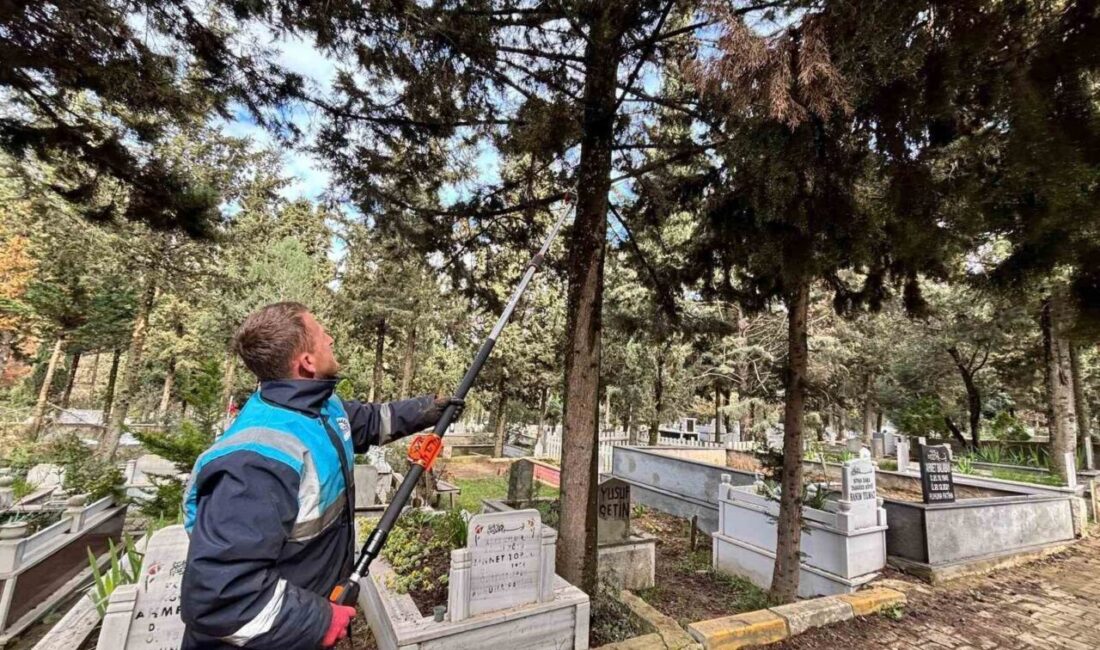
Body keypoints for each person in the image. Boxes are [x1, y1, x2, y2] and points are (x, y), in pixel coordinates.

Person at [180, 302, 459, 649]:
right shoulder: (256, 461)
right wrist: (320, 621)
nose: (330, 339)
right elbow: (221, 597)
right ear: (307, 362)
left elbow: (371, 421)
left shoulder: (318, 409)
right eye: (321, 334)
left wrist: (429, 409)